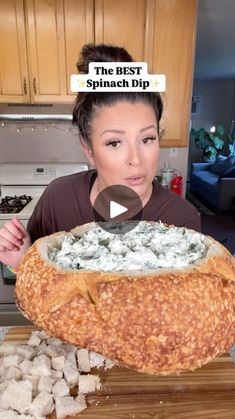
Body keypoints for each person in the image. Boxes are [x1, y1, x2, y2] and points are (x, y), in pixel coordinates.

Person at [0, 43, 200, 270]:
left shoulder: (181, 220)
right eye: (114, 142)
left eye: (147, 139)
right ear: (89, 150)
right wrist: (23, 261)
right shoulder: (58, 199)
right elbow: (39, 287)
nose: (136, 159)